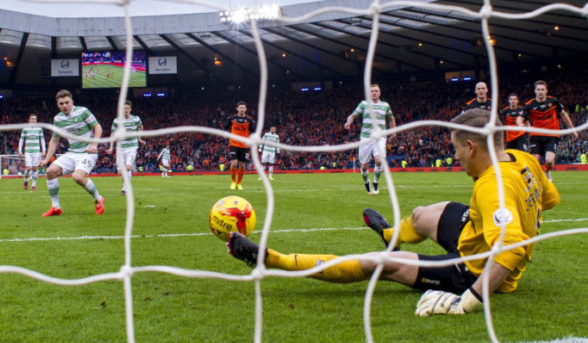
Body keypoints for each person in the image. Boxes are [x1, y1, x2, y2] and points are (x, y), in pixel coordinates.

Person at [227, 109, 560, 316]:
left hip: (473, 270)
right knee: (419, 216)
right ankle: (391, 235)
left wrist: (468, 301)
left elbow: (511, 249)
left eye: (457, 150)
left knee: (379, 264)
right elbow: (548, 199)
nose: (457, 158)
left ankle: (272, 260)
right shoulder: (523, 159)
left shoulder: (491, 187)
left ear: (472, 147)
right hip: (476, 235)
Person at [39, 89, 105, 217]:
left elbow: (98, 127)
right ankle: (56, 207)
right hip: (72, 153)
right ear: (57, 104)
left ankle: (98, 199)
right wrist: (46, 160)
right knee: (50, 172)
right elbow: (54, 141)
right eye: (61, 103)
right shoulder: (58, 119)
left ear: (72, 101)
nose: (64, 105)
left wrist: (94, 145)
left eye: (66, 102)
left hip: (87, 152)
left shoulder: (83, 111)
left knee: (78, 177)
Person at [517, 80, 579, 182]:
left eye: (542, 89)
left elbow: (563, 114)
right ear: (535, 91)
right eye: (538, 89)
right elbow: (520, 118)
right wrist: (520, 124)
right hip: (536, 135)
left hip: (551, 135)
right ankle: (536, 181)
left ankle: (547, 172)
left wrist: (572, 129)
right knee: (534, 162)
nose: (540, 91)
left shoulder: (554, 102)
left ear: (546, 91)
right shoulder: (529, 105)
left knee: (549, 161)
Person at [344, 83, 396, 195]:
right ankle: (366, 182)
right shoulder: (364, 104)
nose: (374, 93)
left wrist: (394, 131)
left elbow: (391, 119)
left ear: (379, 92)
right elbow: (353, 115)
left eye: (376, 91)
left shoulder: (385, 105)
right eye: (372, 91)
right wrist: (348, 122)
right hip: (366, 138)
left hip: (380, 137)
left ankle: (376, 183)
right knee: (364, 166)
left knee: (378, 160)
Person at [107, 100, 144, 195]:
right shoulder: (117, 121)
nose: (126, 110)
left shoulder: (136, 119)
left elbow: (141, 127)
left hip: (132, 147)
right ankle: (125, 184)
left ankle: (125, 189)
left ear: (130, 109)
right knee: (120, 172)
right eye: (124, 108)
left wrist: (139, 138)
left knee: (128, 167)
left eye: (127, 108)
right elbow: (112, 134)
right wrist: (111, 147)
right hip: (120, 148)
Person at [225, 101, 255, 190]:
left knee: (242, 165)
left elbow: (253, 132)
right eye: (240, 107)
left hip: (244, 145)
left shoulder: (250, 120)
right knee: (234, 163)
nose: (241, 109)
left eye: (243, 108)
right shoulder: (231, 118)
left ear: (245, 109)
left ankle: (239, 183)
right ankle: (233, 182)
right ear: (237, 108)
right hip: (234, 143)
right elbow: (225, 128)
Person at [18, 114, 46, 191]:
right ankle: (26, 181)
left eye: (35, 119)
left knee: (35, 168)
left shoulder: (39, 129)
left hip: (37, 151)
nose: (34, 120)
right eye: (32, 119)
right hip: (28, 152)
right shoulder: (25, 129)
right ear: (29, 120)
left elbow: (42, 140)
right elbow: (21, 140)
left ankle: (33, 185)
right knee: (29, 167)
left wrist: (44, 150)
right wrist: (20, 150)